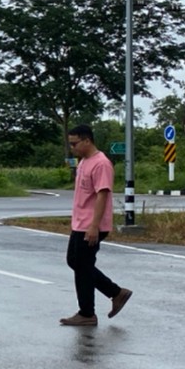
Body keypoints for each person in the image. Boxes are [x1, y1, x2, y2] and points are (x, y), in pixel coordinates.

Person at [62, 124, 132, 327]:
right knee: (76, 262)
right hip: (80, 223)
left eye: (75, 143)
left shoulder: (101, 164)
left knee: (82, 266)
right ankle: (115, 293)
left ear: (87, 140)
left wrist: (94, 226)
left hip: (91, 225)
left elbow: (102, 195)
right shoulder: (84, 162)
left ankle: (88, 312)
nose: (72, 148)